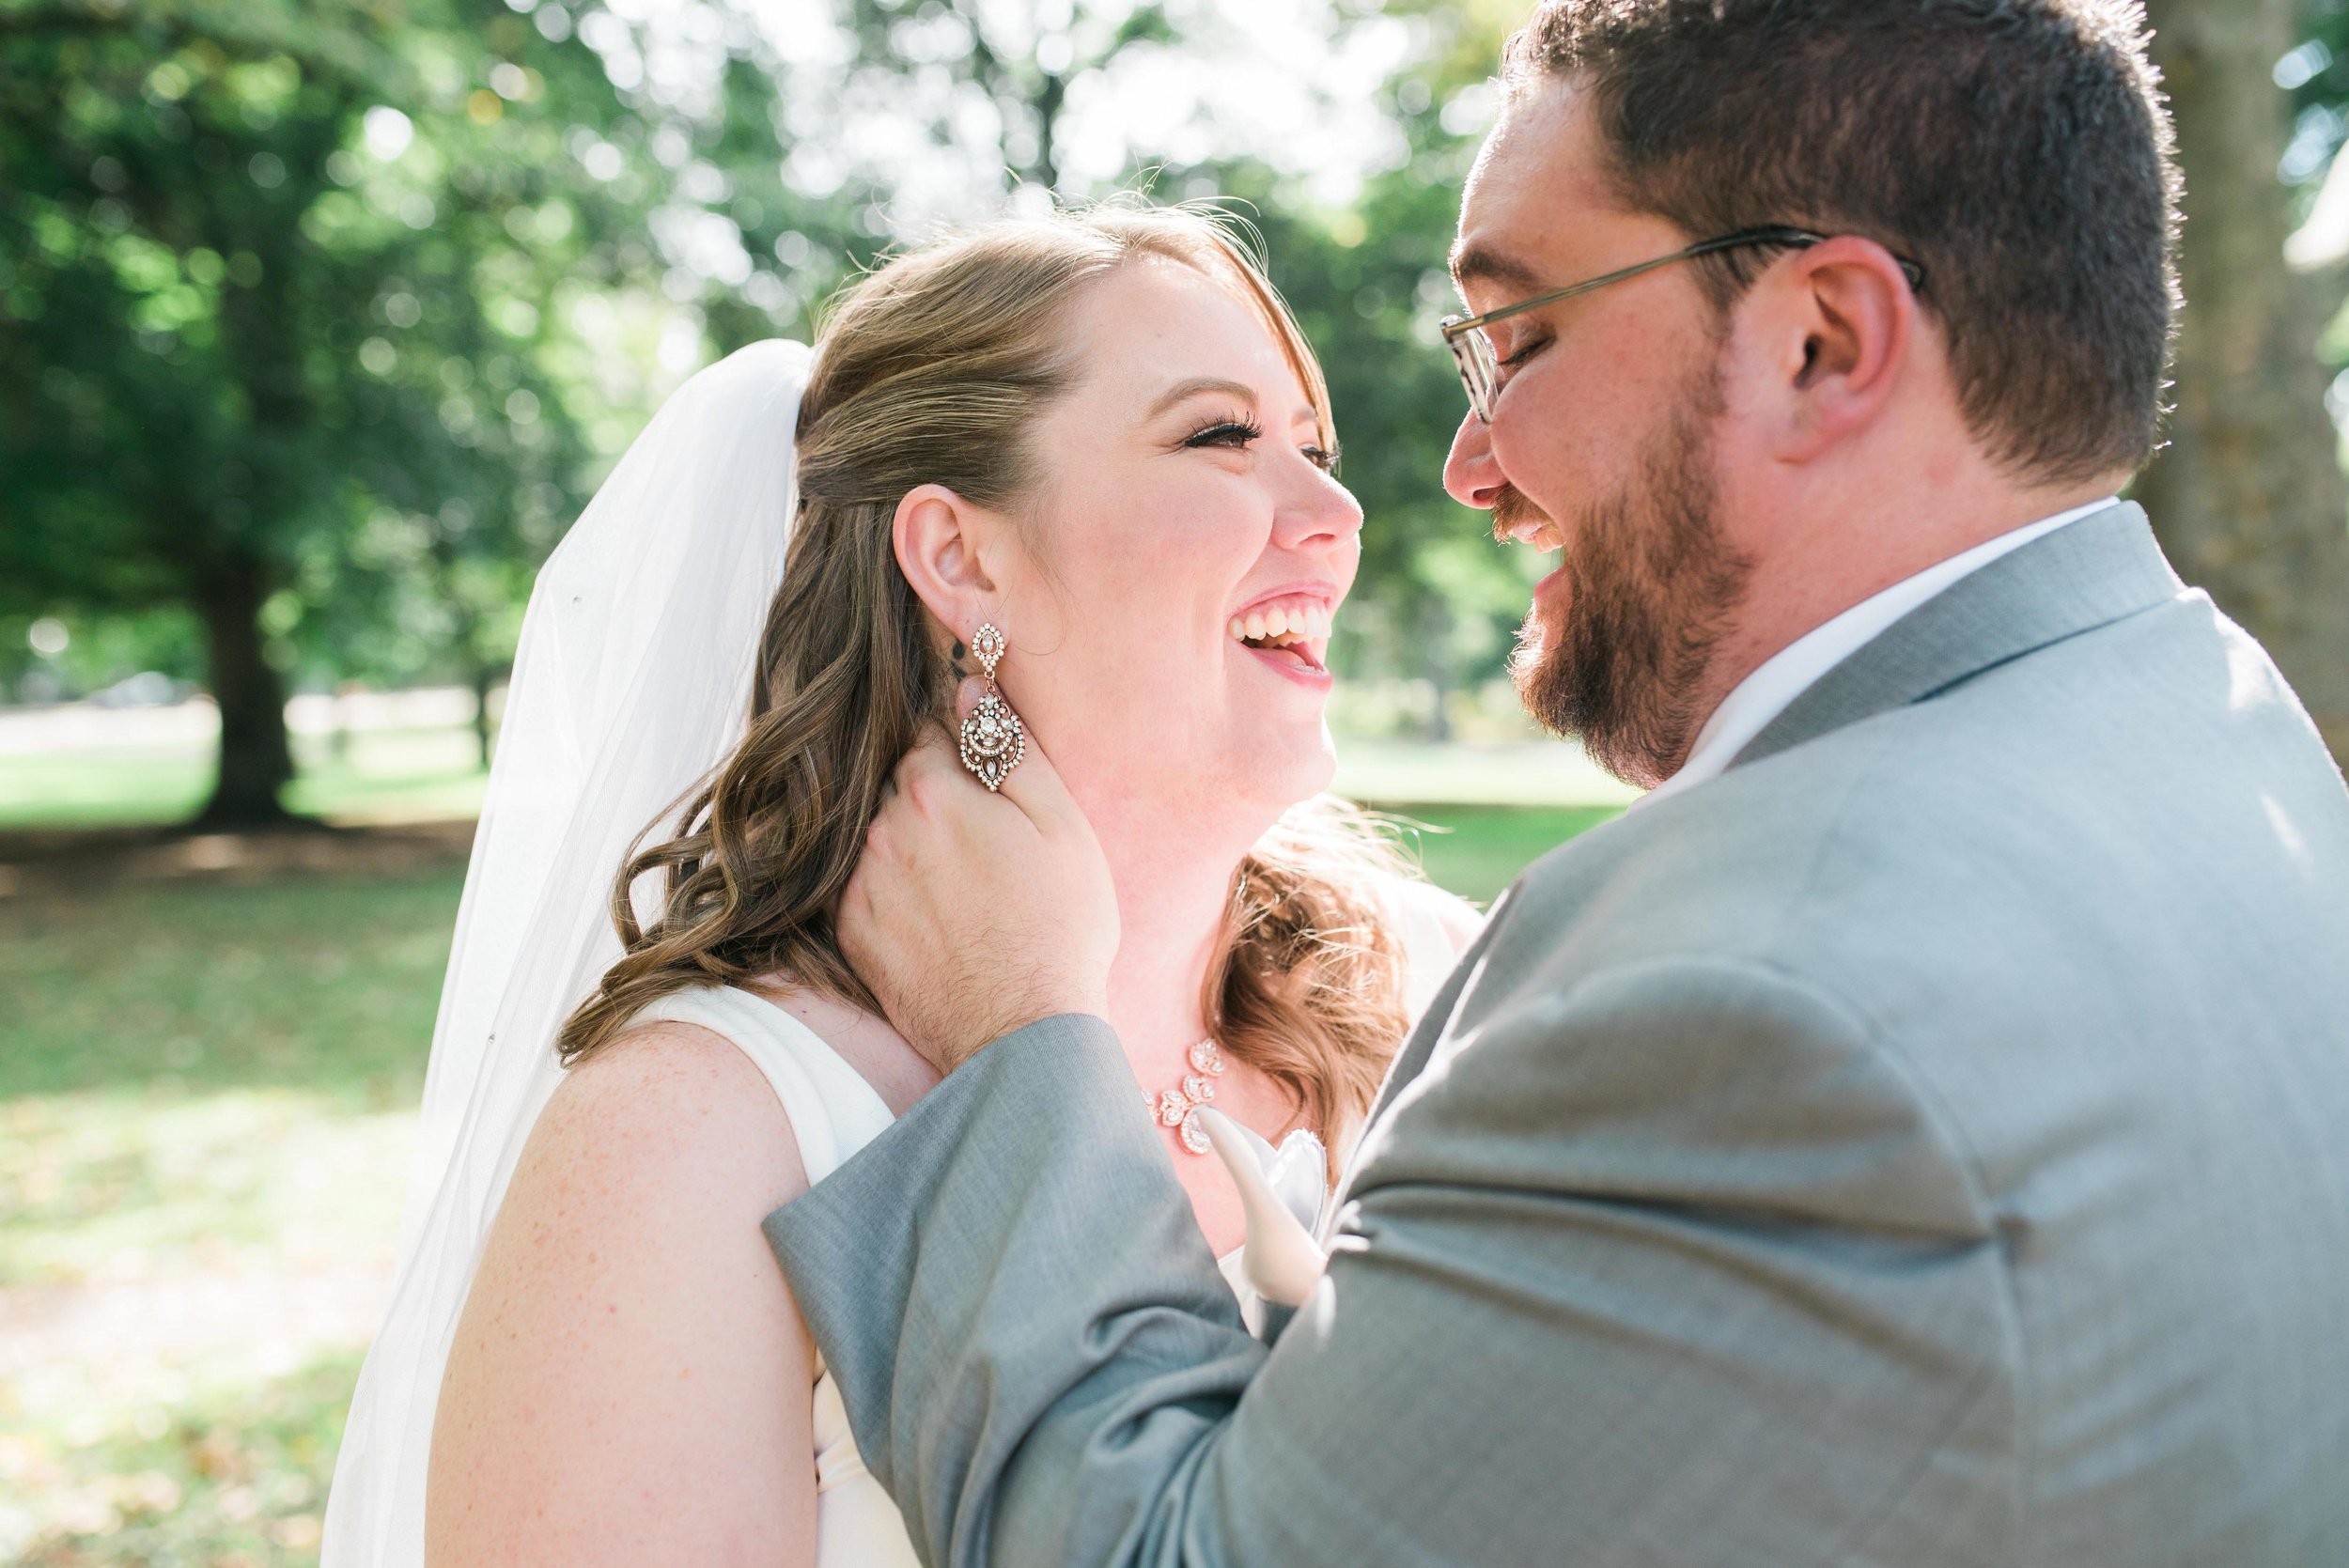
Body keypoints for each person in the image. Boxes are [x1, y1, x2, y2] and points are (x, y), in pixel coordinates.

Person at [768, 3, 2349, 1563]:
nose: (1462, 469)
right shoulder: (2232, 746)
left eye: (1519, 338)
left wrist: (1018, 1042)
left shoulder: (1744, 993)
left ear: (1821, 343)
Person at [319, 207, 1479, 1567]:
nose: (1336, 516)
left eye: (1316, 450)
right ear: (960, 557)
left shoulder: (1435, 986)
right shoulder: (698, 1131)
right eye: (1220, 437)